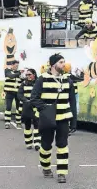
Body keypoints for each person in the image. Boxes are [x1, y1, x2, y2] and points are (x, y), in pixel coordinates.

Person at [31, 54, 76, 184]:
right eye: (61, 62)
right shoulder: (42, 79)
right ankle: (45, 167)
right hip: (47, 119)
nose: (64, 64)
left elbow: (72, 101)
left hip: (63, 118)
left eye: (64, 62)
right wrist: (45, 109)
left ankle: (62, 172)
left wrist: (73, 122)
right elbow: (34, 98)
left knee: (63, 145)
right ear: (53, 65)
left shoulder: (68, 80)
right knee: (46, 145)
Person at [17, 69, 41, 151]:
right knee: (27, 125)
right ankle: (28, 143)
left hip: (36, 107)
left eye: (29, 74)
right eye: (27, 75)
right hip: (27, 106)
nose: (28, 76)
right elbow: (19, 94)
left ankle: (37, 143)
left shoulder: (38, 83)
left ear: (34, 74)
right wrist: (25, 100)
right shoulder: (24, 83)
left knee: (37, 124)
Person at [63, 63, 82, 135]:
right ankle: (72, 127)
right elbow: (80, 79)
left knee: (67, 110)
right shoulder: (71, 76)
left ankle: (68, 127)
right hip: (73, 95)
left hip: (66, 95)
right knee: (73, 110)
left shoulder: (63, 76)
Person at [4, 60, 22, 129]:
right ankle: (7, 123)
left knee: (19, 108)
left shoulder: (19, 72)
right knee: (8, 107)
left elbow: (22, 80)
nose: (17, 67)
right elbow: (11, 76)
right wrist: (19, 73)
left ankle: (18, 122)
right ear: (12, 65)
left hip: (18, 93)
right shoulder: (7, 71)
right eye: (16, 65)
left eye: (18, 66)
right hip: (9, 92)